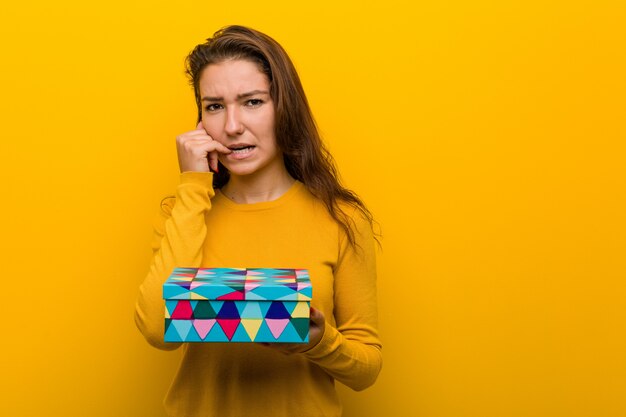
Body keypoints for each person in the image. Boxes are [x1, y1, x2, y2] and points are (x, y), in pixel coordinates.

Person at [134, 25, 382, 417]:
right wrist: (194, 184)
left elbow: (367, 368)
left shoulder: (340, 219)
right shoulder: (182, 211)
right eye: (214, 106)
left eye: (251, 102)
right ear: (200, 120)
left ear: (284, 107)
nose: (231, 126)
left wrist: (318, 341)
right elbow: (155, 330)